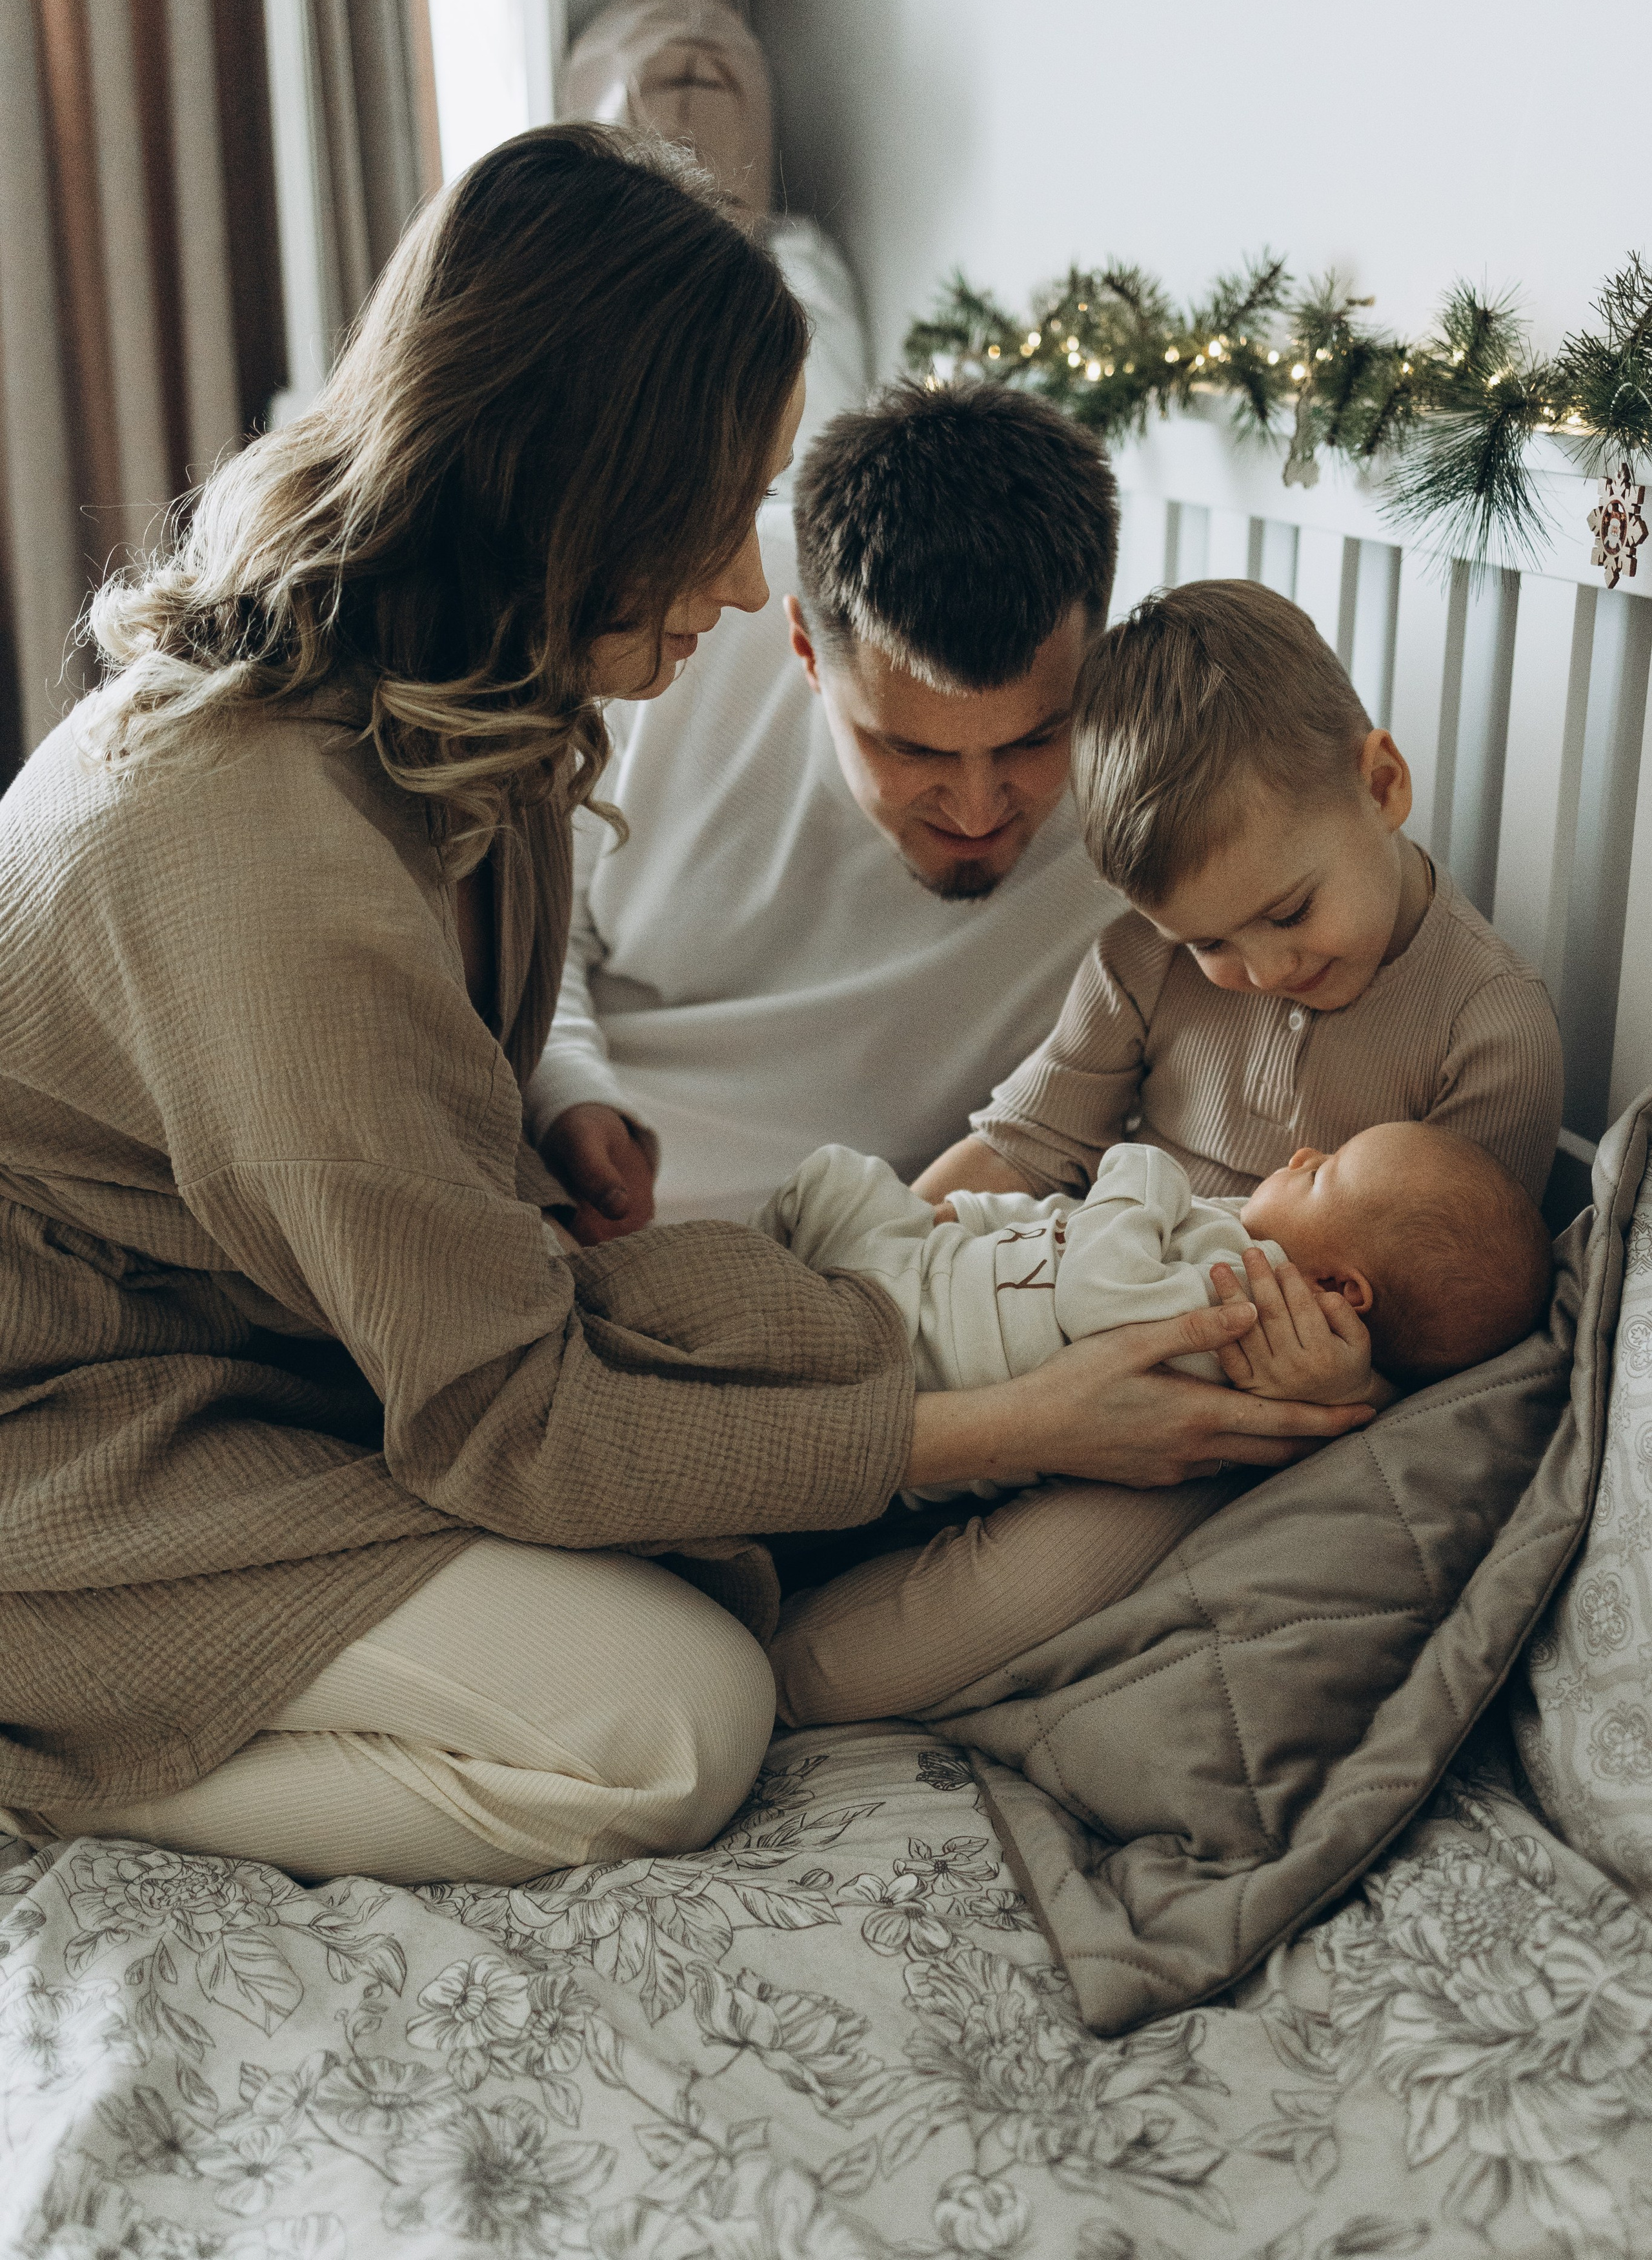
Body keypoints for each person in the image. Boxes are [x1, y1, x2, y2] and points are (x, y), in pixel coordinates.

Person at [0, 128, 1366, 1889]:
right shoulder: (267, 859)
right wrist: (1031, 1426)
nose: (743, 585)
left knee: (747, 1411)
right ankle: (60, 1759)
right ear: (573, 498)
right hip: (66, 1426)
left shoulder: (439, 704)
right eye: (723, 519)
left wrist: (547, 1098)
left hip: (243, 1350)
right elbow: (515, 1423)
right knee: (676, 1722)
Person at [530, 381, 1127, 1240]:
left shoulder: (1153, 801)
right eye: (911, 750)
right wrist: (567, 1096)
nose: (974, 806)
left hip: (827, 1265)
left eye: (1032, 743)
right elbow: (534, 932)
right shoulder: (669, 638)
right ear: (806, 649)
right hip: (552, 1162)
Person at [763, 1124, 1554, 1727]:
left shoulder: (1231, 1308)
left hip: (896, 1329)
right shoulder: (1233, 1241)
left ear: (1339, 1288)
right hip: (928, 1278)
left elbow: (1094, 1293)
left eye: (1327, 1172)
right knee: (836, 1186)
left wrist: (1143, 1168)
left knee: (827, 1179)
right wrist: (968, 1212)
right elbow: (1056, 1226)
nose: (1305, 1151)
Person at [918, 580, 1564, 1212]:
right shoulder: (1142, 958)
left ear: (1380, 786)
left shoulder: (1491, 1033)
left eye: (1289, 912)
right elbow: (1024, 1146)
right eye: (1208, 943)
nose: (1267, 970)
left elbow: (1448, 1291)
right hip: (1107, 1273)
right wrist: (883, 1249)